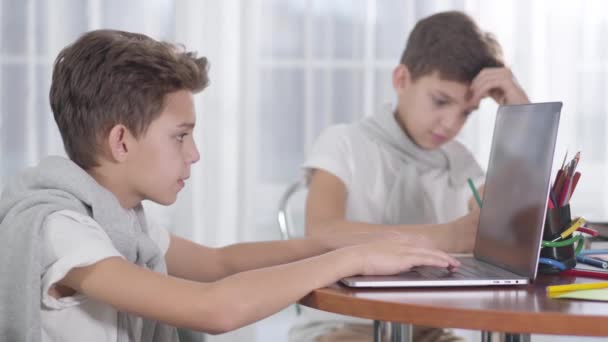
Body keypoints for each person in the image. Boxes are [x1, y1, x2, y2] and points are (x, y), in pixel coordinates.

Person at [0, 29, 461, 342]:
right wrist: (353, 257)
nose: (194, 153)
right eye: (180, 135)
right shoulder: (64, 229)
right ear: (121, 141)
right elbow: (213, 308)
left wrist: (327, 247)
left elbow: (220, 263)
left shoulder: (120, 222)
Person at [293, 11, 530, 342]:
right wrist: (448, 236)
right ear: (402, 79)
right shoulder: (344, 141)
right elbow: (321, 231)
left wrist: (520, 117)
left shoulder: (458, 160)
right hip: (344, 325)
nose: (450, 123)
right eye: (440, 101)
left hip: (427, 330)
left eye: (465, 113)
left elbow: (511, 223)